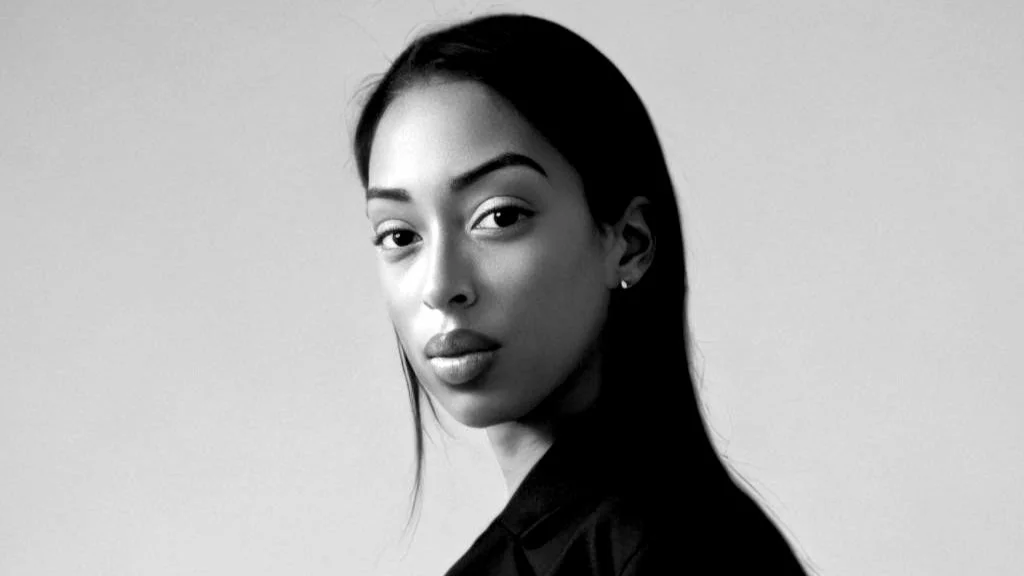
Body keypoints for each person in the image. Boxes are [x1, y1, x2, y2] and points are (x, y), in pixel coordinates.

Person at [353, 12, 808, 575]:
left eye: (499, 216)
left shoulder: (677, 550)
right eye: (400, 235)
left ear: (628, 243)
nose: (441, 287)